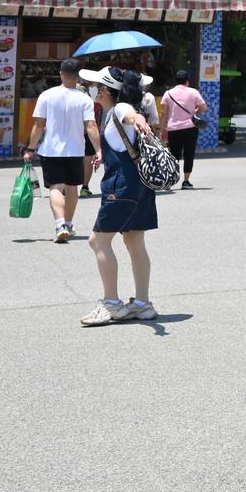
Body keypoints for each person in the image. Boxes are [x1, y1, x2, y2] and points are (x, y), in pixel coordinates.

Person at [77, 66, 160, 327]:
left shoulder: (120, 109)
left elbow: (129, 114)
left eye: (96, 87)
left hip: (121, 188)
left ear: (105, 90)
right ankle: (143, 304)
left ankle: (111, 304)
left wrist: (137, 119)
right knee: (135, 242)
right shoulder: (114, 112)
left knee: (97, 241)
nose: (93, 90)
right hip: (141, 187)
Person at [23, 58, 101, 243]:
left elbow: (39, 125)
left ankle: (60, 224)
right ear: (78, 77)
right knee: (73, 187)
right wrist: (99, 150)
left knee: (56, 188)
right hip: (76, 150)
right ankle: (69, 222)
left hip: (51, 150)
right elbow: (91, 126)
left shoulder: (47, 95)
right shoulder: (84, 99)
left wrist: (30, 148)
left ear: (60, 74)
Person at [159, 68, 208, 190]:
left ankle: (170, 181)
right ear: (187, 81)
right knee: (189, 154)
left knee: (174, 155)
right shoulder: (193, 92)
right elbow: (204, 107)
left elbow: (163, 113)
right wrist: (195, 111)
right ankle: (186, 181)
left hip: (173, 129)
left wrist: (163, 129)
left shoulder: (168, 93)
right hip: (190, 127)